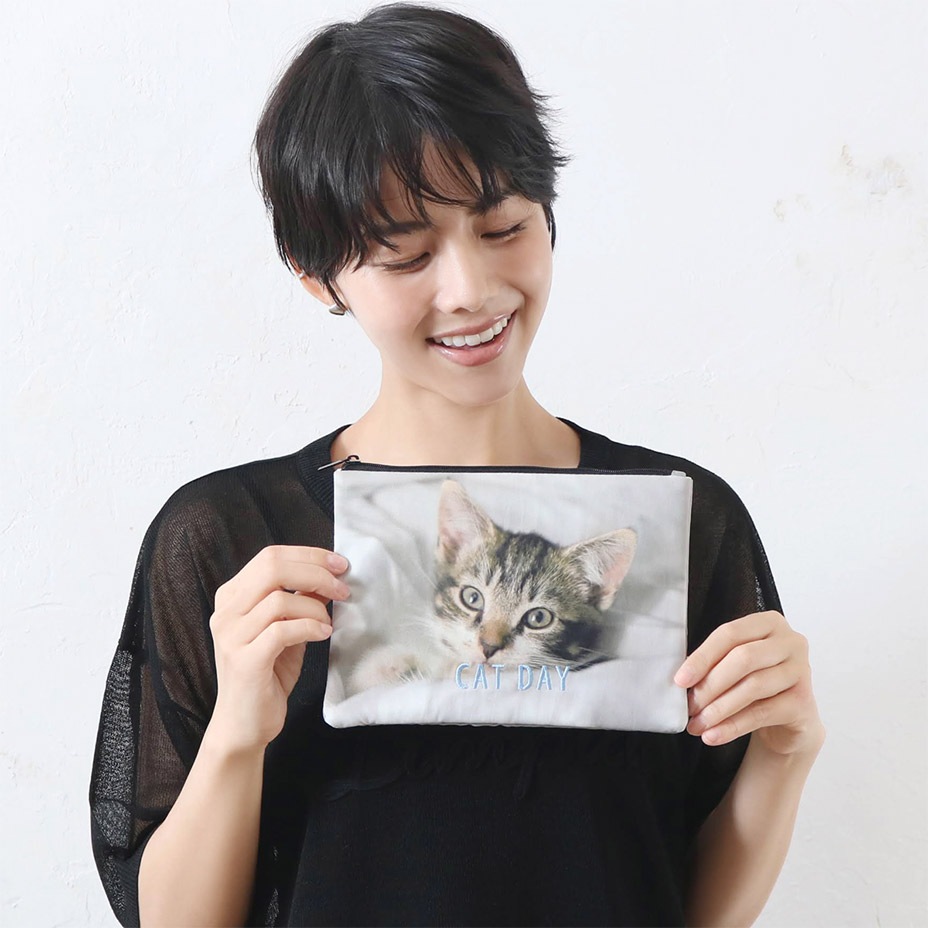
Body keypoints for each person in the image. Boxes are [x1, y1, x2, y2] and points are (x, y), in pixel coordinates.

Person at [89, 3, 825, 926]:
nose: (470, 291)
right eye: (405, 256)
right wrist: (239, 726)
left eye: (504, 226)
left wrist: (785, 751)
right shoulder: (228, 537)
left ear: (548, 213)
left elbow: (689, 905)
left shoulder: (682, 522)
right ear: (317, 276)